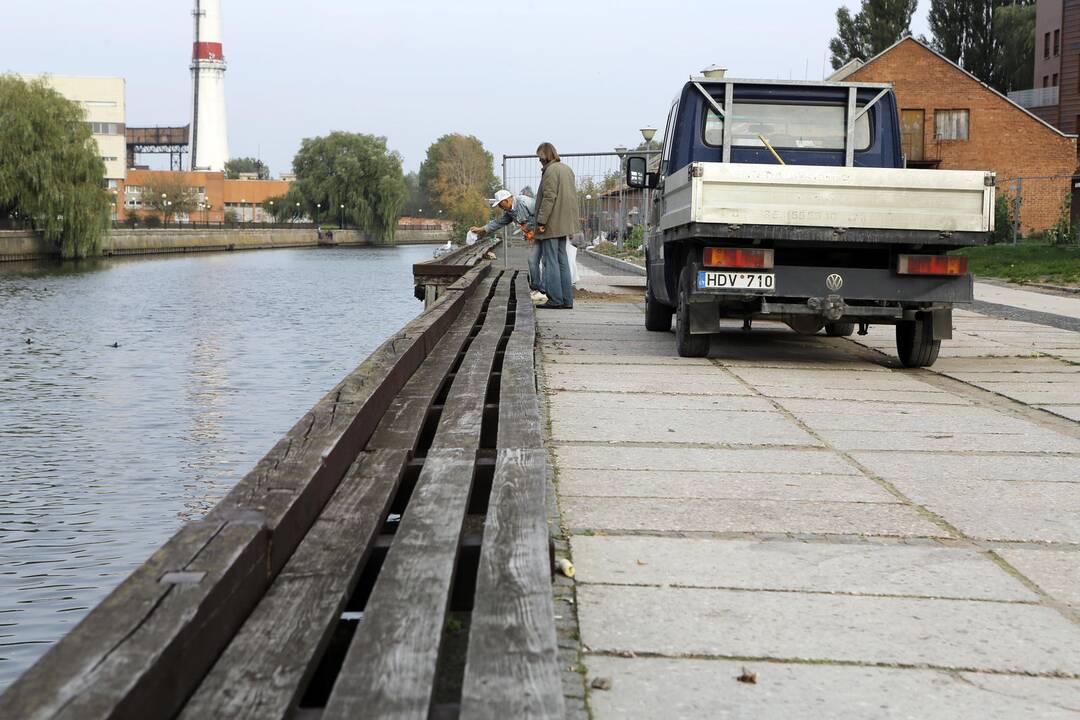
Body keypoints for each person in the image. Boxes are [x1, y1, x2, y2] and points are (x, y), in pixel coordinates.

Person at [470, 189, 546, 304]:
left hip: (545, 234)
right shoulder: (510, 210)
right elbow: (499, 222)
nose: (500, 208)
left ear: (506, 200)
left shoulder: (524, 202)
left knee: (546, 262)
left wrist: (529, 226)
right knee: (532, 261)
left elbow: (541, 214)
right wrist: (482, 229)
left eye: (500, 204)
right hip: (536, 236)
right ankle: (538, 289)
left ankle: (545, 290)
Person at [534, 142, 579, 310]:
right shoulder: (566, 169)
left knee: (551, 261)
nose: (539, 161)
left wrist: (541, 221)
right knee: (562, 261)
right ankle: (567, 300)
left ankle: (555, 299)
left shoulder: (550, 171)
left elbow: (549, 197)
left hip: (552, 222)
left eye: (539, 158)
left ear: (545, 156)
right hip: (565, 222)